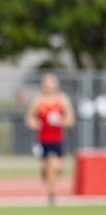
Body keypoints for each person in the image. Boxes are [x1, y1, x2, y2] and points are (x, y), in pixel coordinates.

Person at [24, 72, 74, 205]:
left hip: (57, 140)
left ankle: (51, 192)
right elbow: (29, 118)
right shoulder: (38, 101)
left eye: (51, 84)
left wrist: (60, 121)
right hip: (42, 140)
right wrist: (34, 123)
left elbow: (70, 120)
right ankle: (52, 194)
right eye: (46, 84)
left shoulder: (62, 100)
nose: (49, 87)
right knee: (46, 168)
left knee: (56, 167)